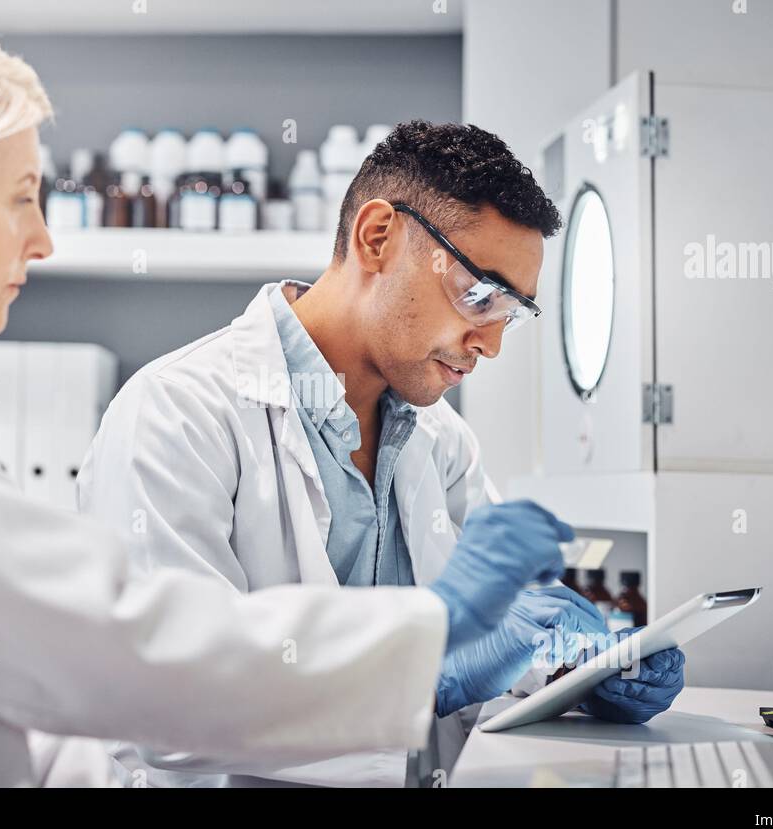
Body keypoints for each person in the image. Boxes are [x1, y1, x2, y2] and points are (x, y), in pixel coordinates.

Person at [0, 6, 570, 787]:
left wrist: (545, 666)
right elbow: (80, 638)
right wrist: (427, 643)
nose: (42, 241)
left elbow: (8, 680)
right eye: (19, 197)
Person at [76, 122, 686, 787]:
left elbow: (500, 636)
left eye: (509, 313)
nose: (491, 345)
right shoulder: (177, 413)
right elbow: (166, 706)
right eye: (480, 296)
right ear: (377, 237)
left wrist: (580, 669)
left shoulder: (440, 440)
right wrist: (429, 679)